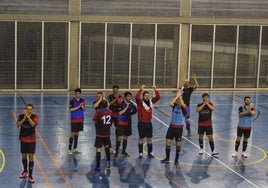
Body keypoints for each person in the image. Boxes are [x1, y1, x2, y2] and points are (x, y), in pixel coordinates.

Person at [161, 88, 187, 165]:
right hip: (171, 127)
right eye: (177, 101)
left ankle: (176, 160)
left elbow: (182, 104)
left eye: (179, 101)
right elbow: (170, 103)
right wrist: (177, 96)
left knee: (178, 144)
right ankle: (167, 158)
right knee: (168, 142)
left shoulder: (184, 109)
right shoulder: (174, 106)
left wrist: (179, 96)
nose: (178, 102)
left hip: (178, 129)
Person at [136, 84, 160, 159]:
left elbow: (158, 97)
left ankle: (150, 152)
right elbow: (136, 97)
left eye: (148, 95)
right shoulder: (140, 102)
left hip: (149, 123)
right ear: (143, 96)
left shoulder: (151, 101)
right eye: (145, 95)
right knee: (141, 138)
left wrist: (155, 89)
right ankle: (140, 153)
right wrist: (141, 89)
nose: (147, 97)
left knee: (149, 138)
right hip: (141, 123)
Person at [15, 104, 38, 183]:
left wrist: (28, 117)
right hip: (23, 139)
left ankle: (30, 176)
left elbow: (33, 125)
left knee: (31, 157)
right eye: (27, 109)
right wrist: (24, 118)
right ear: (25, 109)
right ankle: (25, 171)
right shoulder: (21, 116)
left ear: (32, 110)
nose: (29, 110)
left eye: (30, 109)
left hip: (31, 140)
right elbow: (18, 125)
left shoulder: (35, 116)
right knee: (24, 156)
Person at [114, 91, 137, 159]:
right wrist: (126, 109)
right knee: (119, 137)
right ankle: (116, 152)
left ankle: (123, 151)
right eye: (128, 96)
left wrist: (131, 113)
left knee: (126, 137)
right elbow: (120, 113)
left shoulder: (132, 105)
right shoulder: (121, 104)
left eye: (130, 97)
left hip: (128, 123)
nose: (129, 98)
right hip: (121, 123)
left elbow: (135, 111)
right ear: (125, 97)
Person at [92, 100, 113, 171]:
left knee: (98, 149)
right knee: (107, 147)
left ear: (100, 106)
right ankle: (108, 161)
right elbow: (111, 122)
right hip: (107, 133)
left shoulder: (98, 112)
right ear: (107, 105)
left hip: (99, 134)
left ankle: (98, 166)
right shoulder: (110, 112)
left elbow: (94, 120)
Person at [196, 93, 218, 157]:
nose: (206, 98)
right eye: (204, 97)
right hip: (201, 124)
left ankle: (212, 151)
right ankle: (201, 148)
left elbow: (212, 109)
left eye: (207, 97)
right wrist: (203, 104)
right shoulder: (199, 104)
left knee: (210, 137)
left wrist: (207, 103)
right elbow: (198, 110)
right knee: (201, 136)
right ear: (202, 98)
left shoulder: (210, 104)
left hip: (208, 124)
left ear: (208, 98)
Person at [68, 88, 86, 155]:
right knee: (72, 134)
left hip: (80, 119)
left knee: (77, 134)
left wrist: (83, 107)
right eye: (76, 93)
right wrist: (79, 106)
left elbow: (84, 109)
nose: (77, 94)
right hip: (74, 119)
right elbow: (71, 109)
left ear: (80, 94)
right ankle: (69, 149)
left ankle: (75, 148)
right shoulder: (72, 100)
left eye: (78, 93)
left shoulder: (82, 100)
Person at [108, 85, 123, 154]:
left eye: (116, 89)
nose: (115, 90)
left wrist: (117, 98)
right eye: (114, 89)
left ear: (118, 90)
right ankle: (108, 144)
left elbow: (120, 103)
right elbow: (109, 104)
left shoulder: (120, 96)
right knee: (107, 128)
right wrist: (115, 99)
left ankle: (117, 143)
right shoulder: (110, 96)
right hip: (111, 114)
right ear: (113, 90)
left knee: (118, 129)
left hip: (117, 115)